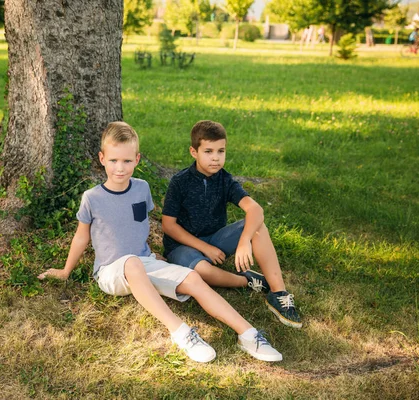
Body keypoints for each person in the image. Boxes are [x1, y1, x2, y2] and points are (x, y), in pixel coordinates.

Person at [38, 121, 283, 363]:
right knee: (133, 264)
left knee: (194, 278)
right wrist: (65, 270)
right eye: (113, 161)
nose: (120, 168)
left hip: (145, 263)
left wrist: (154, 256)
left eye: (126, 161)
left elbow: (136, 228)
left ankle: (249, 334)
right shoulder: (91, 197)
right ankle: (182, 333)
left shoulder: (142, 189)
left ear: (137, 159)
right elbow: (82, 236)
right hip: (111, 271)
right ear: (102, 159)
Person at [161, 120, 302, 329]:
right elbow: (169, 226)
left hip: (216, 239)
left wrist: (244, 241)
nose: (216, 158)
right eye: (208, 151)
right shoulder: (180, 182)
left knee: (257, 227)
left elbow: (256, 210)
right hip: (183, 247)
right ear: (194, 151)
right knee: (203, 271)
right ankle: (247, 281)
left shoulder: (225, 180)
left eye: (221, 151)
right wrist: (204, 248)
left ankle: (278, 293)